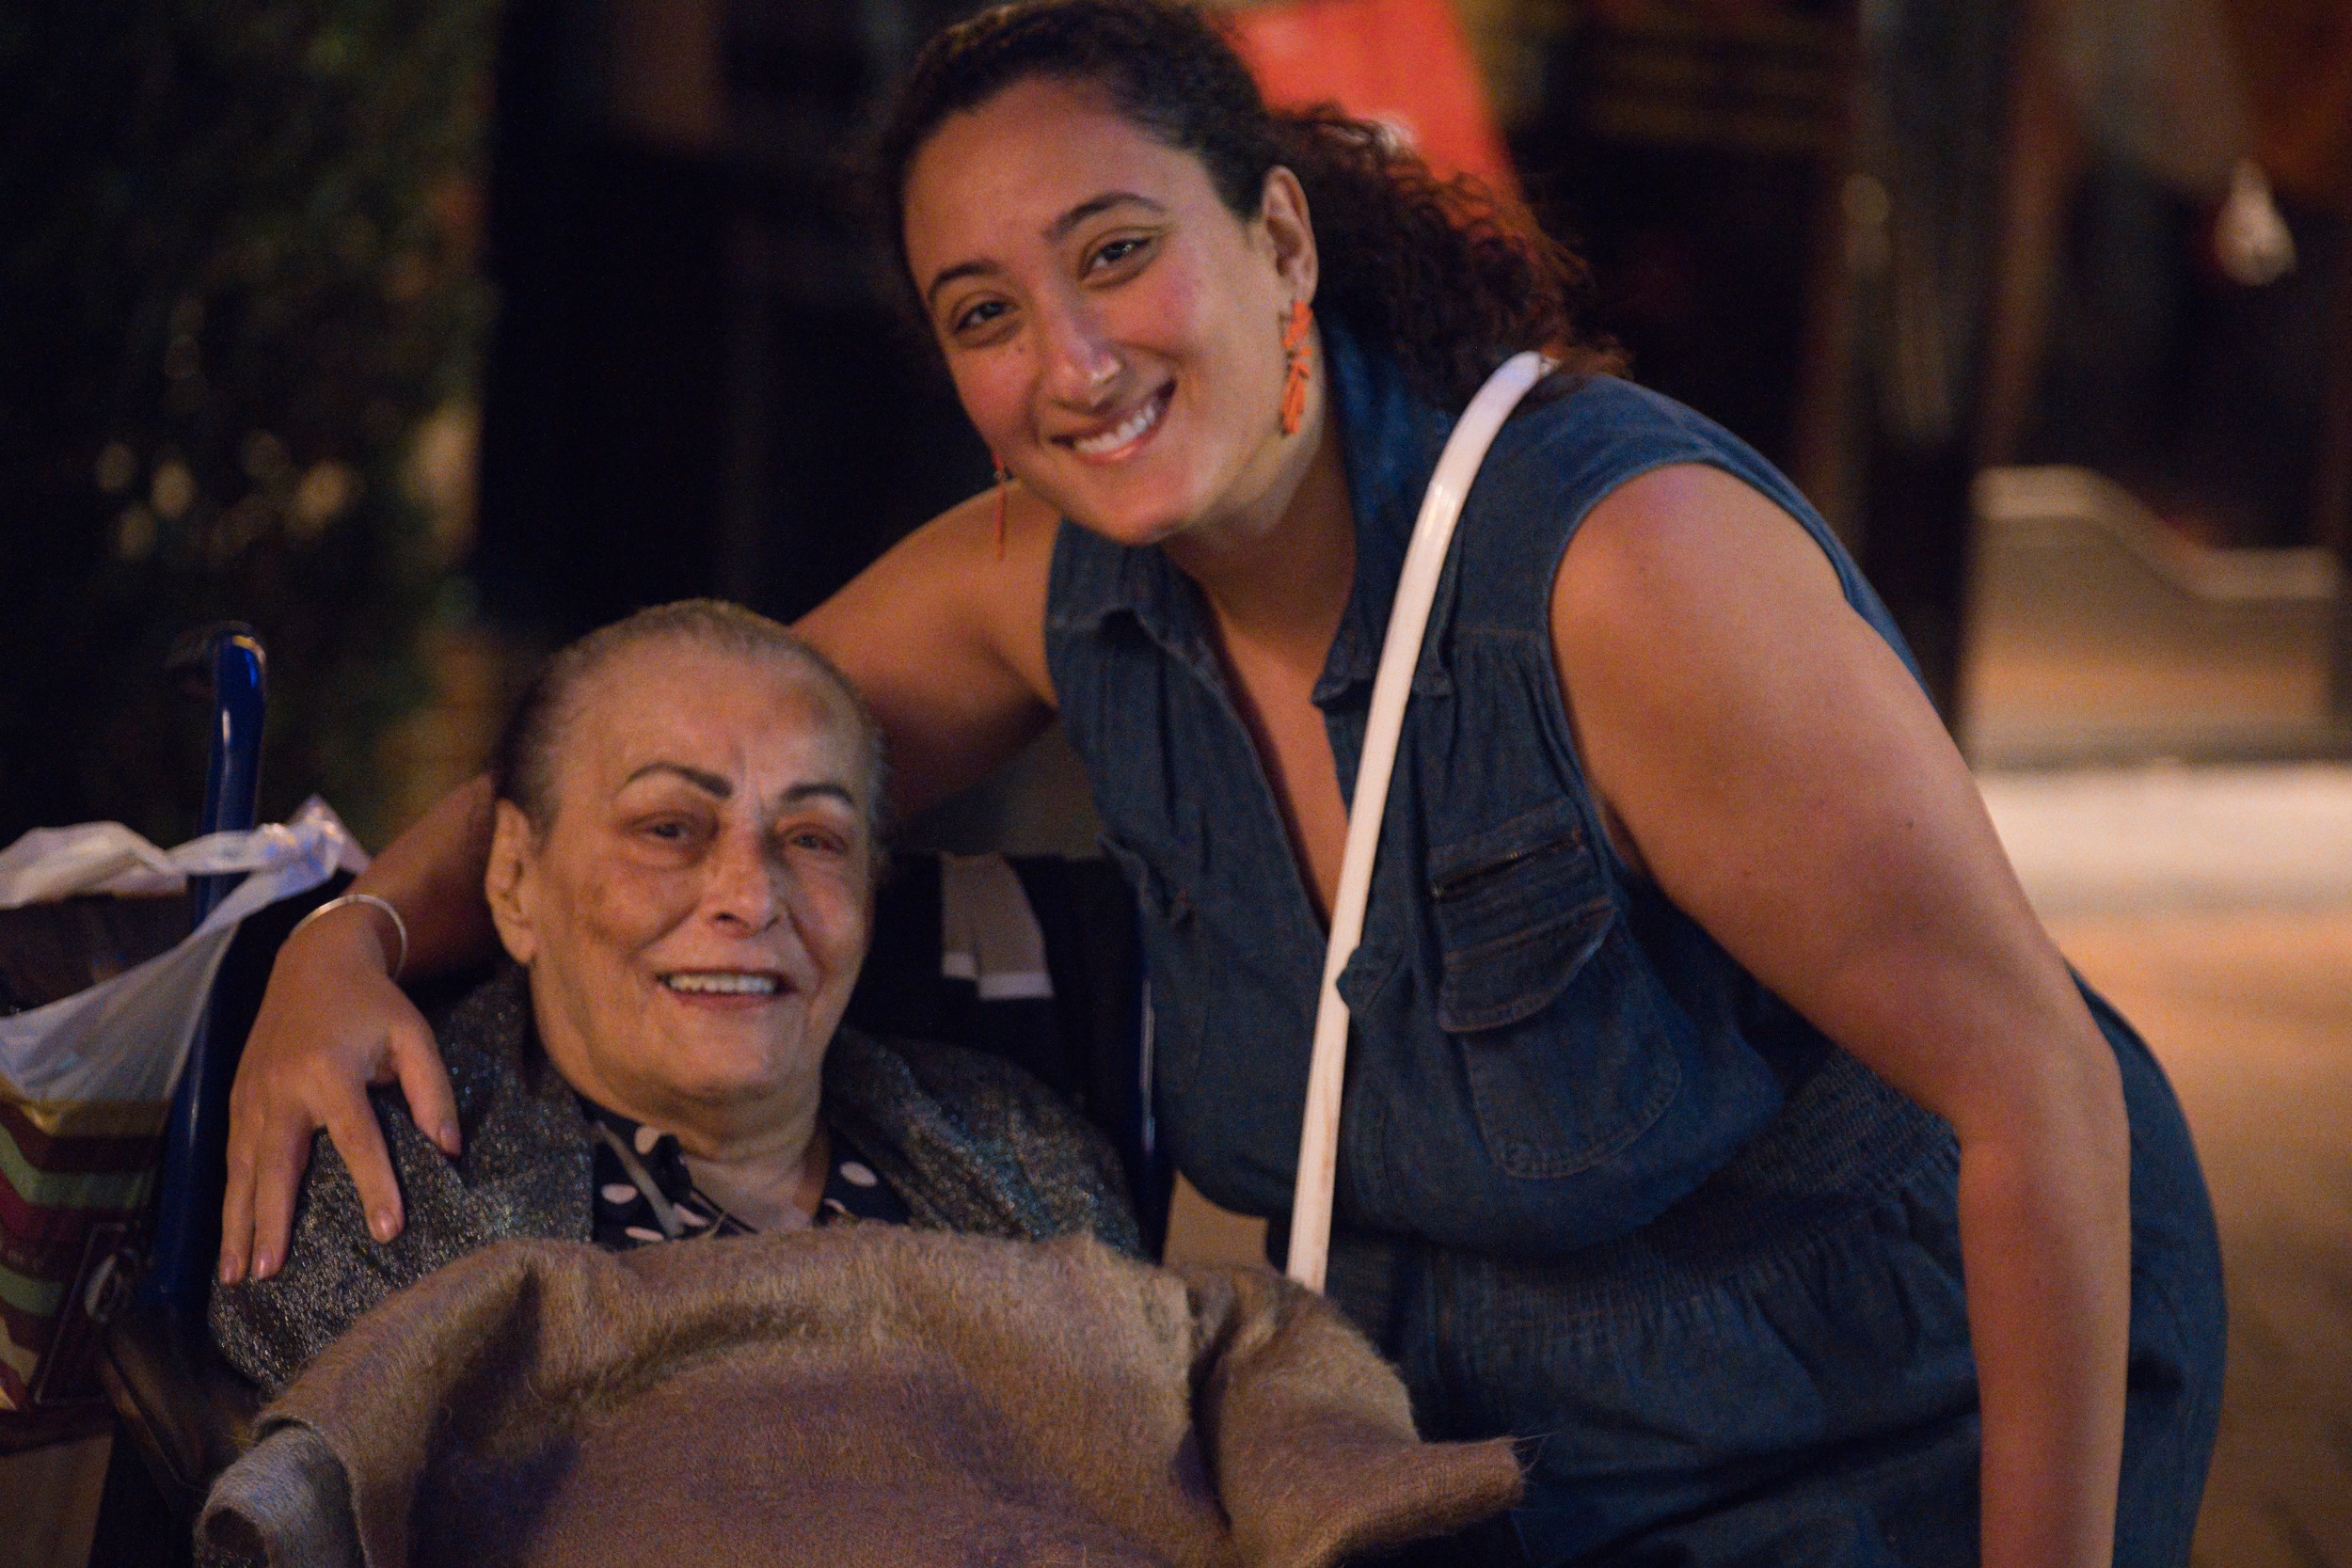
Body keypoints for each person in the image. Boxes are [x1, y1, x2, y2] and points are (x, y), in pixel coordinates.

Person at [216, 3, 2225, 1562]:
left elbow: (2034, 1091)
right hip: (1461, 1447)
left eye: (1115, 251)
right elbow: (645, 749)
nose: (1071, 360)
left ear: (1275, 237)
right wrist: (350, 935)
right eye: (985, 314)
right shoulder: (1045, 577)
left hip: (1879, 1422)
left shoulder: (1626, 574)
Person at [212, 599, 1136, 1390]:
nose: (751, 894)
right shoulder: (389, 1189)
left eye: (814, 837)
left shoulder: (1026, 1155)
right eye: (668, 828)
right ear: (515, 879)